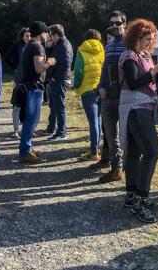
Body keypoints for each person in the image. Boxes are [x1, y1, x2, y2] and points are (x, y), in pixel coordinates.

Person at [118, 19, 158, 223]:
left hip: (144, 107)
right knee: (152, 151)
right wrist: (154, 72)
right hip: (135, 107)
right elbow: (132, 83)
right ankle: (140, 197)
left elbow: (147, 81)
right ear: (136, 38)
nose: (149, 43)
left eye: (151, 40)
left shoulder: (142, 55)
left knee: (136, 151)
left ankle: (131, 194)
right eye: (145, 39)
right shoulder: (129, 56)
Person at [16, 21, 56, 164]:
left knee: (30, 119)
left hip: (29, 87)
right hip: (32, 88)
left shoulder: (30, 46)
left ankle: (28, 147)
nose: (47, 35)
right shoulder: (37, 46)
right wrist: (50, 62)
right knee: (31, 120)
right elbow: (39, 68)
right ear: (42, 32)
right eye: (46, 32)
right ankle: (25, 151)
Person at [96, 11, 128, 182]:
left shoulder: (131, 43)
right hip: (108, 95)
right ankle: (116, 169)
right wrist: (100, 86)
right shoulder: (108, 46)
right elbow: (104, 68)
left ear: (125, 22)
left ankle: (128, 167)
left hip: (125, 95)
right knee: (110, 134)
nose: (115, 26)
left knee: (126, 134)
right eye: (112, 23)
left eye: (118, 23)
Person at [73, 29, 105, 160]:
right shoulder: (102, 51)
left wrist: (76, 86)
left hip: (87, 90)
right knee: (99, 120)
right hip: (100, 89)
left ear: (85, 38)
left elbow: (78, 72)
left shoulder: (81, 52)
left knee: (93, 122)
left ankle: (94, 152)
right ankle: (97, 149)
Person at [44, 24, 73, 140]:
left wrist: (54, 77)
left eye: (51, 35)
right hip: (56, 79)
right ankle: (54, 128)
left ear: (56, 35)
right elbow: (51, 58)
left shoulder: (64, 45)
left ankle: (61, 132)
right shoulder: (58, 44)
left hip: (60, 80)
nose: (50, 37)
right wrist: (48, 48)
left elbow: (65, 65)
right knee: (54, 105)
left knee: (59, 106)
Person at [5, 27, 31, 139]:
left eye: (30, 35)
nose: (29, 37)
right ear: (22, 36)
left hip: (31, 81)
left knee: (29, 106)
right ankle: (16, 130)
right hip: (19, 79)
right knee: (17, 106)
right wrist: (15, 67)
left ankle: (28, 128)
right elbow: (7, 58)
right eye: (27, 35)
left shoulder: (35, 46)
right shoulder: (18, 46)